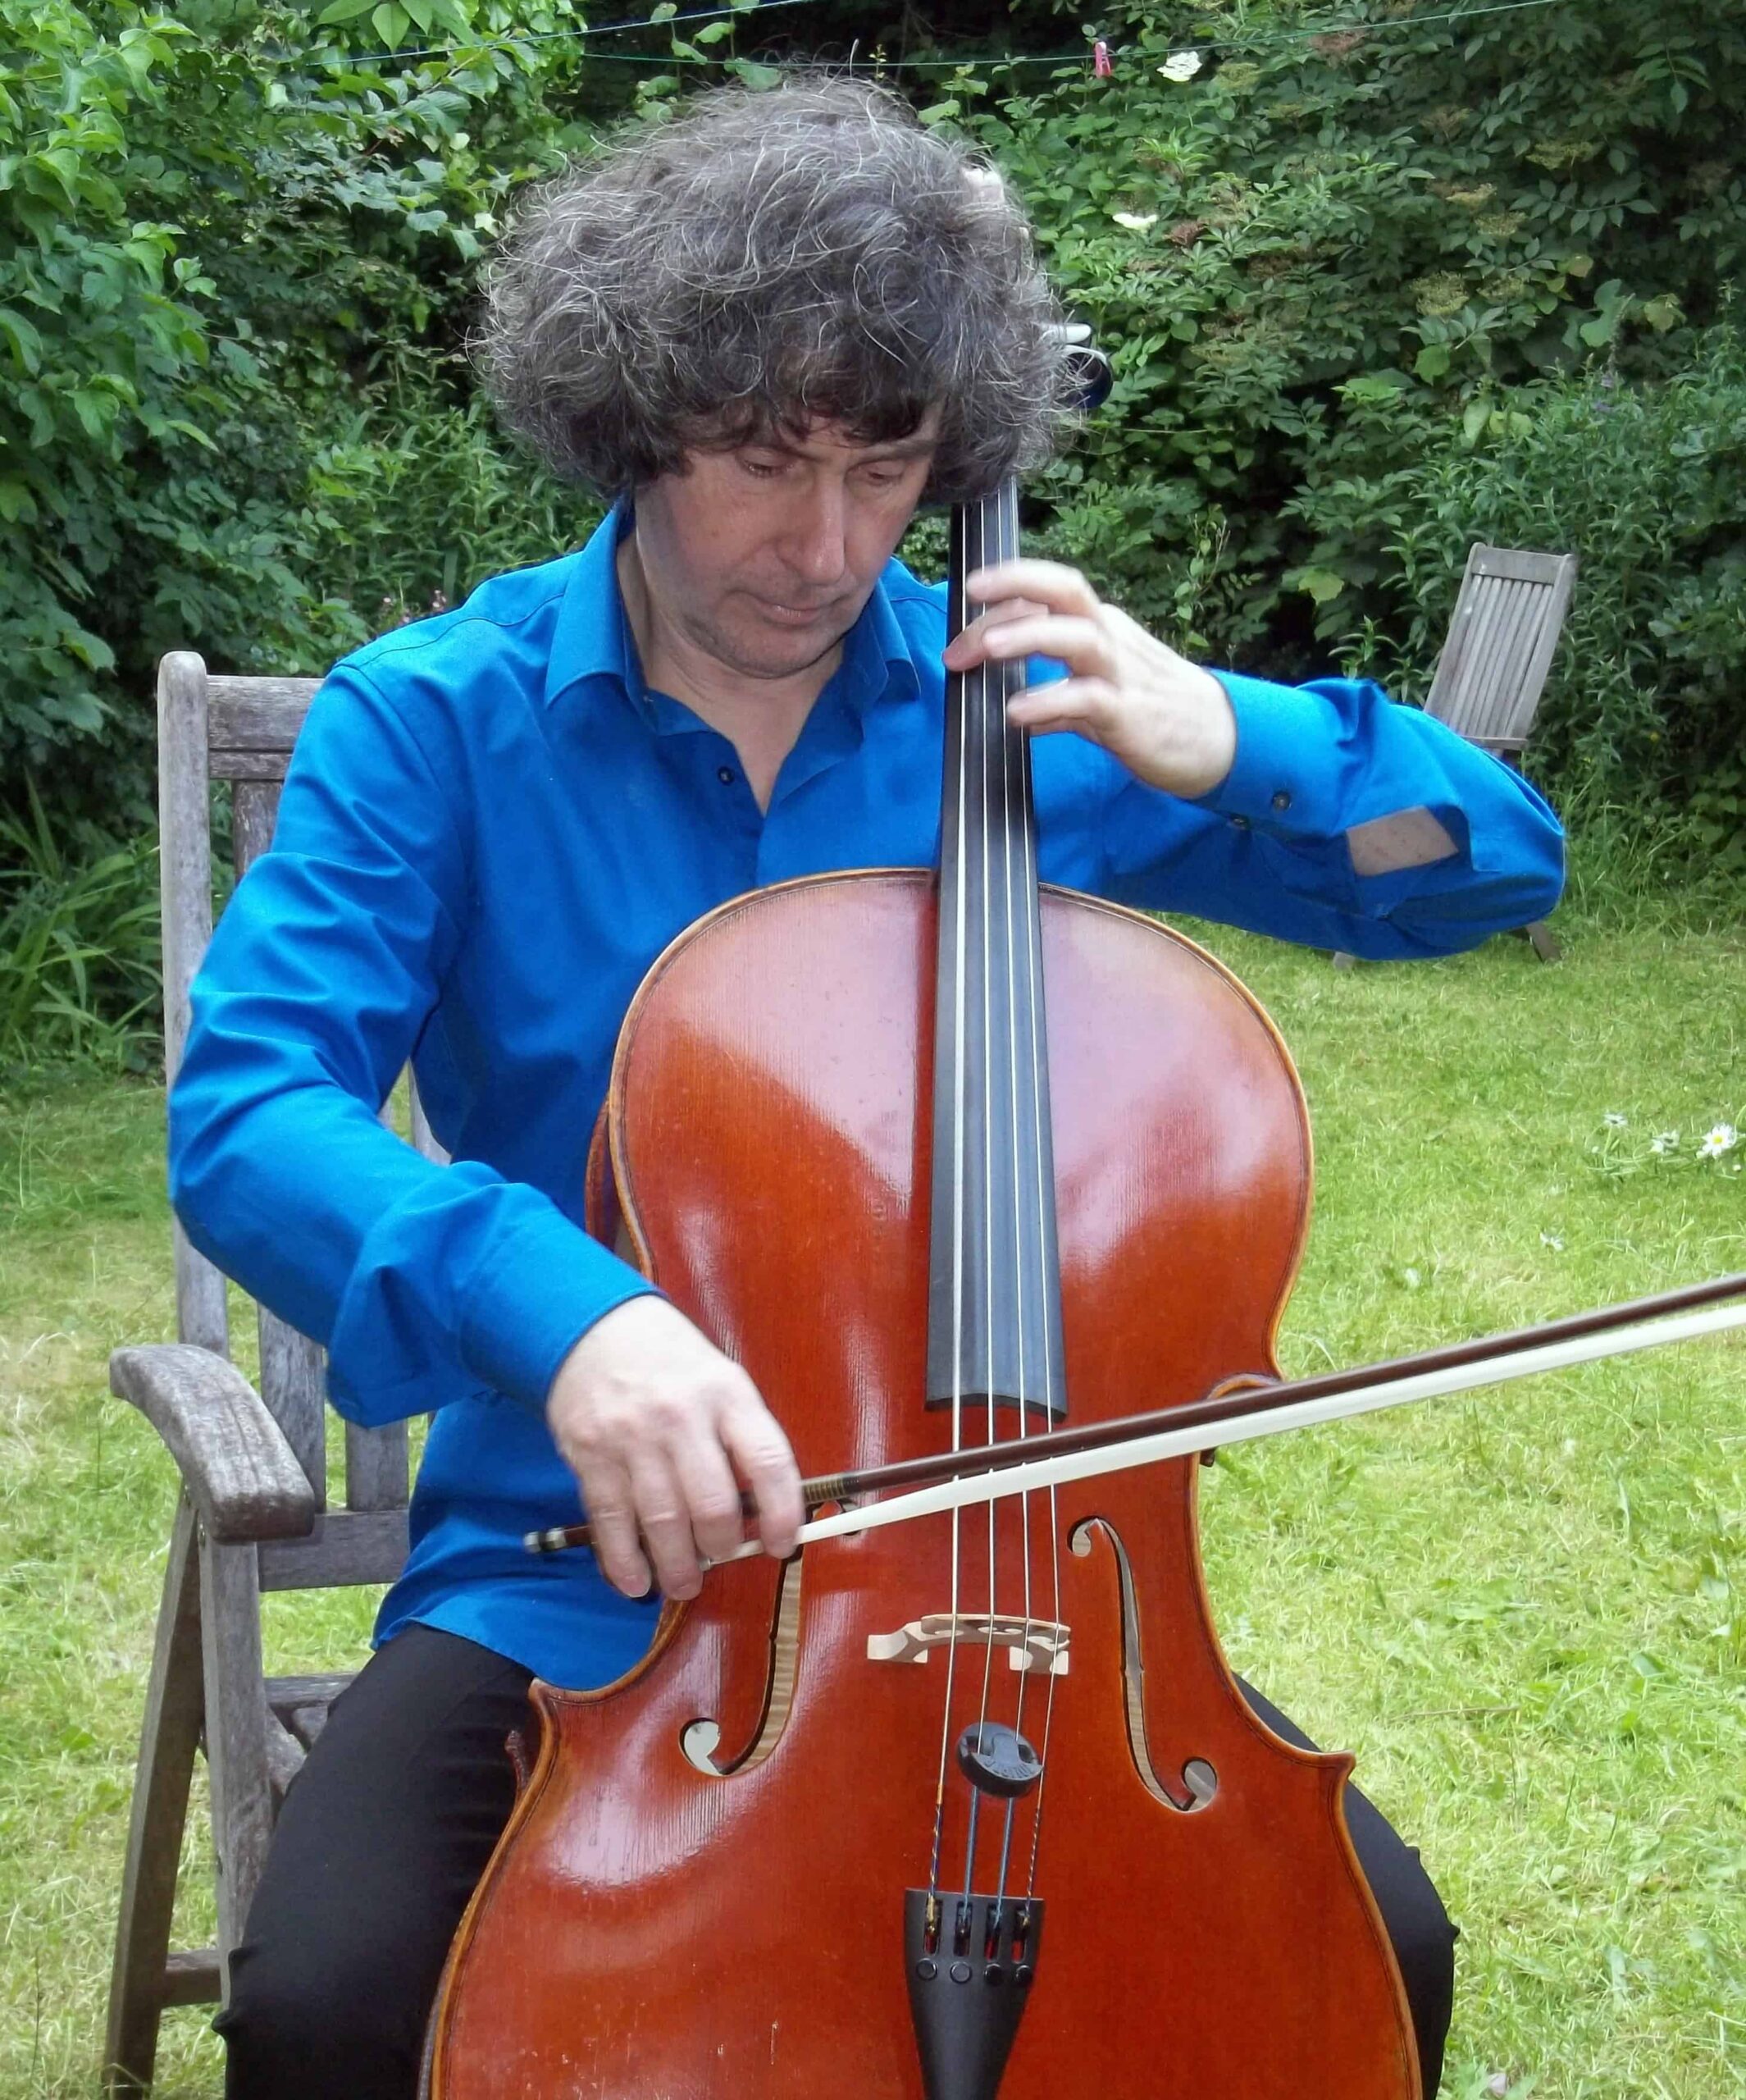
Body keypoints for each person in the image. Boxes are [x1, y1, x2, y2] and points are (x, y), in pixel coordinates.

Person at [169, 74, 1564, 2100]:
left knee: (1369, 1948)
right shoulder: (438, 724)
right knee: (326, 2009)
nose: (824, 543)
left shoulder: (1033, 723)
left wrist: (1232, 731)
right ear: (631, 417)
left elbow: (1496, 866)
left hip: (1031, 1620)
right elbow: (248, 1108)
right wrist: (571, 1316)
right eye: (759, 458)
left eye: (889, 464)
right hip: (580, 1585)